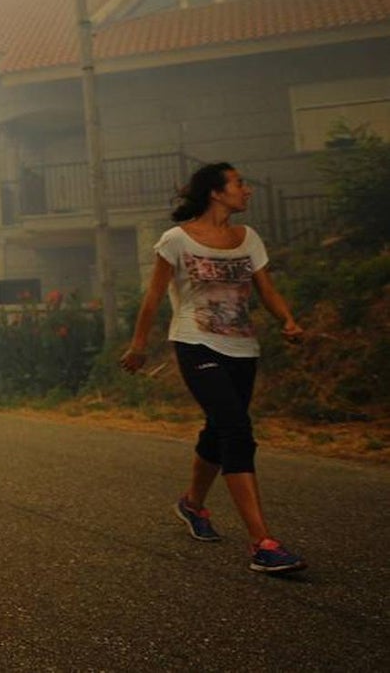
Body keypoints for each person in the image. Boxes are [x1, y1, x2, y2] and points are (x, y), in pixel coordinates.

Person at [120, 162, 307, 575]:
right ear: (216, 193)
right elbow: (153, 298)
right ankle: (262, 542)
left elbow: (267, 289)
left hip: (243, 347)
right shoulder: (176, 240)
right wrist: (138, 346)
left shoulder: (248, 239)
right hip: (195, 341)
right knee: (237, 430)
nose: (248, 190)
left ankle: (192, 504)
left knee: (218, 428)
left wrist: (288, 321)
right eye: (240, 183)